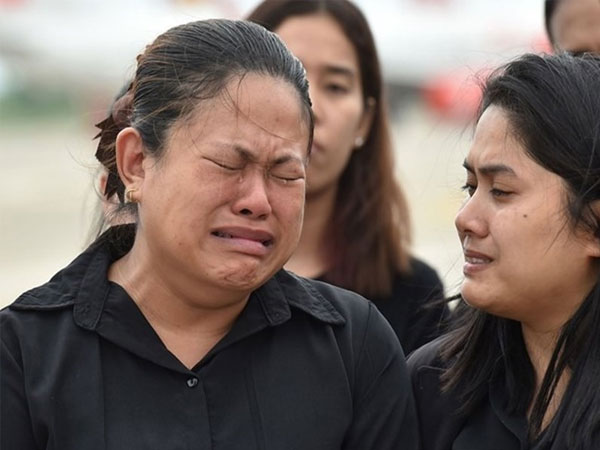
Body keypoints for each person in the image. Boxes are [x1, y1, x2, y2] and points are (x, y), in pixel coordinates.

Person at [0, 19, 419, 449]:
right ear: (136, 163)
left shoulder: (355, 348)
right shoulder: (22, 356)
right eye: (227, 164)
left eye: (285, 173)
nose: (258, 201)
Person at [408, 52, 600, 450]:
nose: (465, 219)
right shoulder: (433, 384)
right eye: (470, 187)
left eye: (501, 191)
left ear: (594, 225)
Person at [247, 0, 448, 355]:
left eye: (336, 87)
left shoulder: (415, 296)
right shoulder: (197, 274)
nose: (311, 107)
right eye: (287, 79)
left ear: (365, 121)